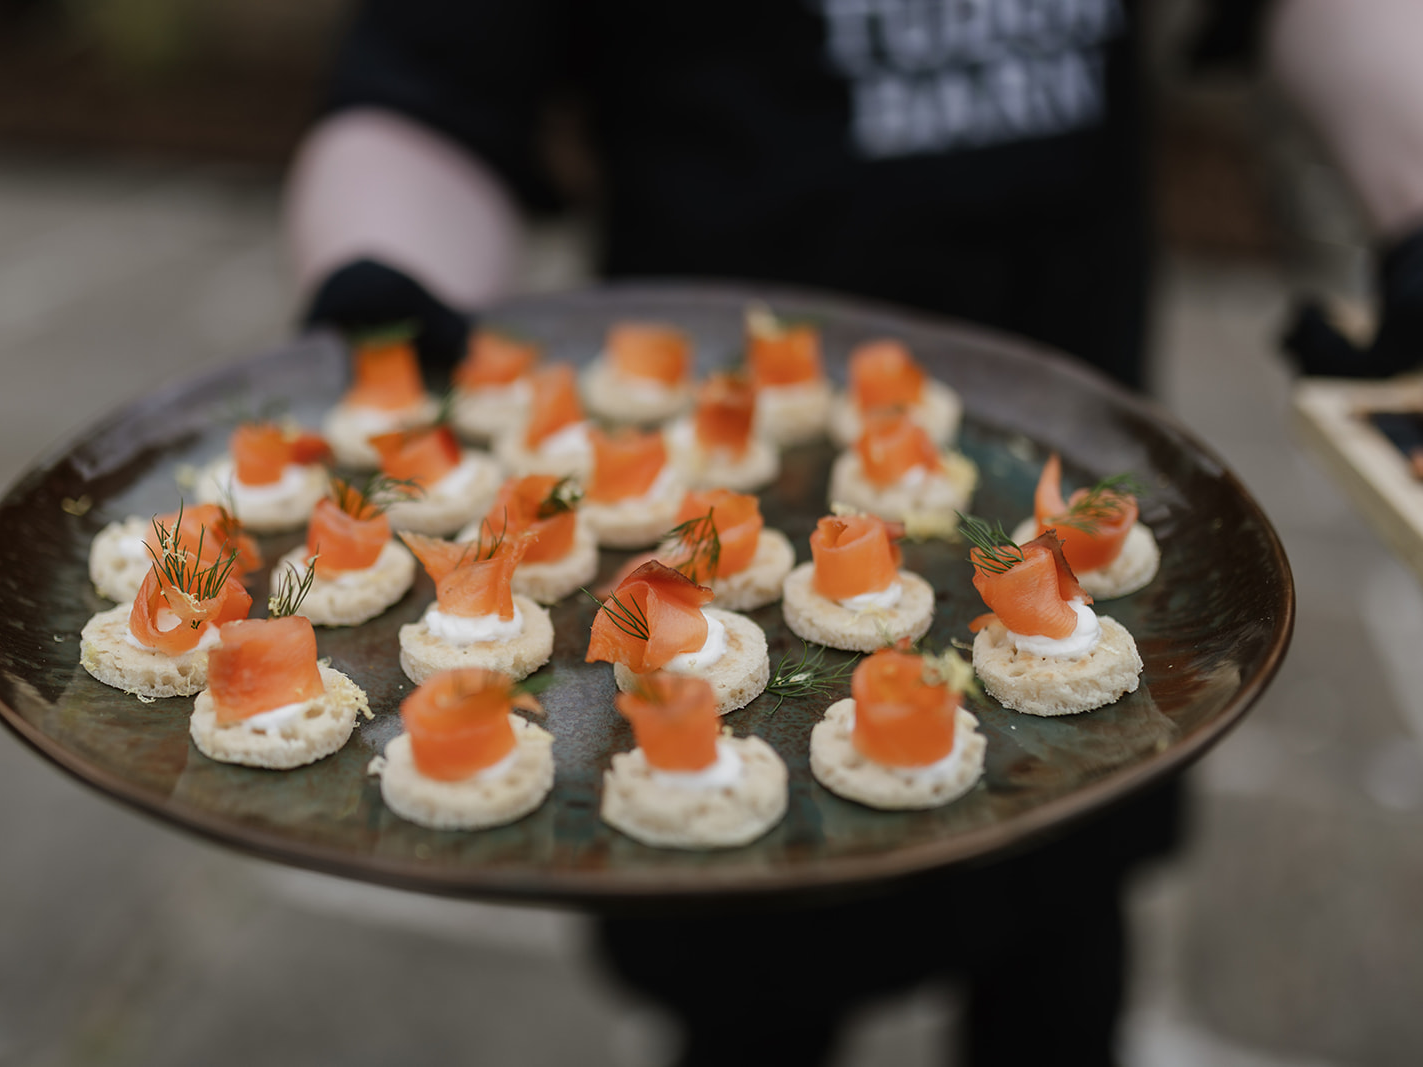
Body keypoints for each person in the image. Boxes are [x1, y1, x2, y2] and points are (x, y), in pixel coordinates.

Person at [283, 2, 1423, 1063]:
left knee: (1063, 954)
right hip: (716, 445)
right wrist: (386, 304)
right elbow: (427, 95)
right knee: (753, 1007)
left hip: (1062, 455)